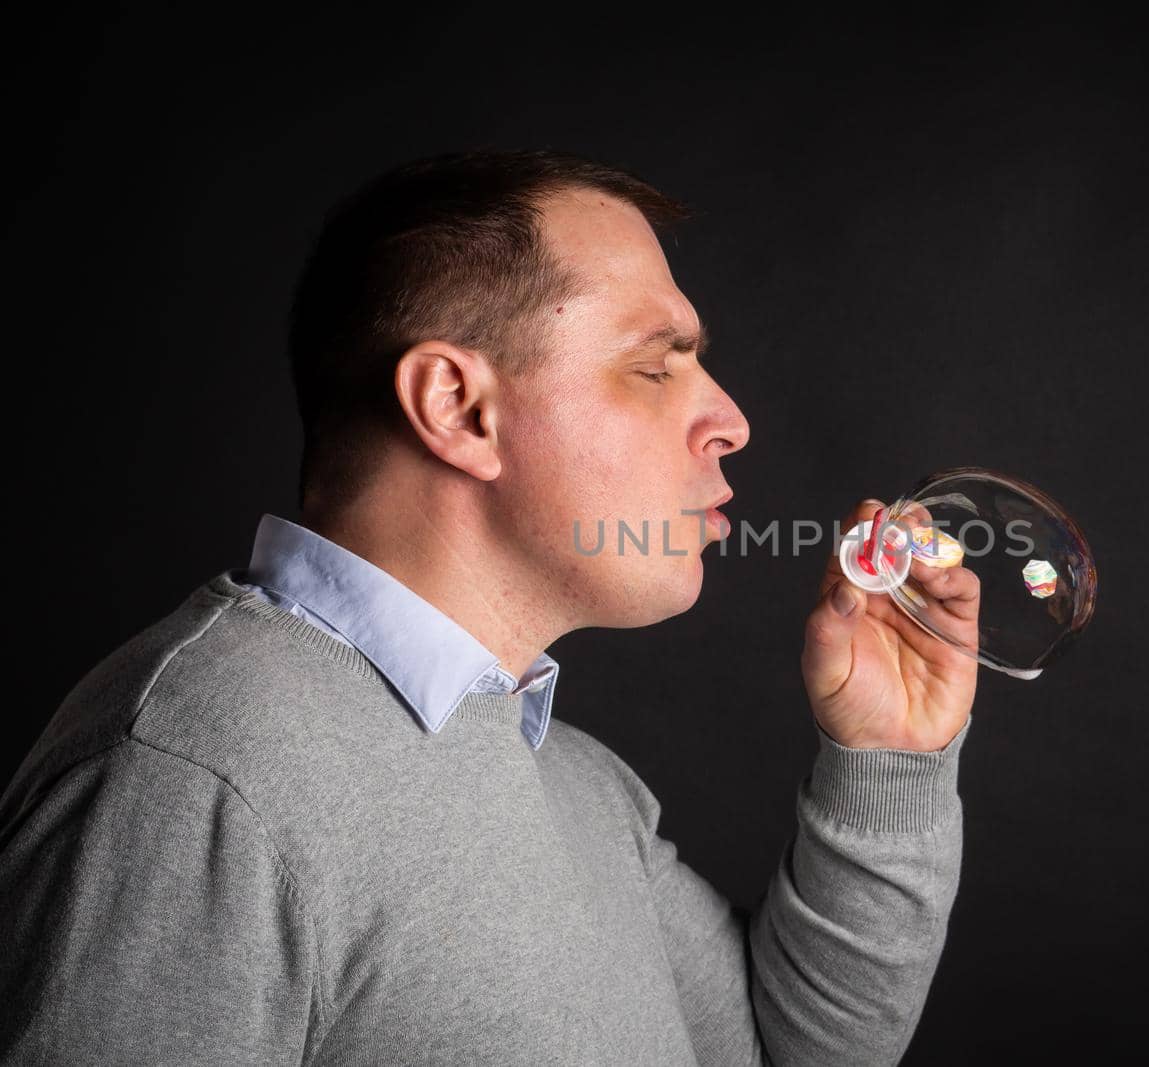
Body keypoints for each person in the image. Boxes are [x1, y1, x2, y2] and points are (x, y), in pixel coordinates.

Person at [0, 149, 979, 1065]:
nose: (729, 419)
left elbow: (779, 1056)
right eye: (656, 363)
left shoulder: (576, 781)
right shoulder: (196, 774)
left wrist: (886, 761)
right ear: (460, 409)